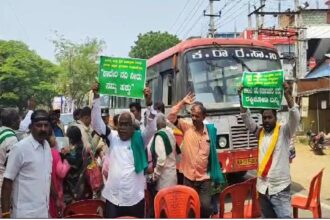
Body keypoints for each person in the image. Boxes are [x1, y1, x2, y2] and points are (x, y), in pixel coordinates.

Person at [91, 84, 156, 218]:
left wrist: (149, 103)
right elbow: (97, 123)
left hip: (134, 198)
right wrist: (96, 97)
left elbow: (151, 128)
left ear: (133, 127)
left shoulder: (140, 139)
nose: (123, 128)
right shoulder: (112, 137)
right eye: (121, 124)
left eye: (127, 125)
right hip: (114, 198)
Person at [238, 82, 300, 218]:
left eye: (269, 117)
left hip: (280, 190)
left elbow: (295, 116)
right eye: (264, 118)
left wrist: (287, 95)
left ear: (275, 118)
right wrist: (241, 97)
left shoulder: (284, 132)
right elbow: (246, 118)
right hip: (262, 189)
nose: (266, 120)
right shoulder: (259, 132)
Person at [167, 93, 225, 218]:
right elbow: (171, 117)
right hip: (188, 177)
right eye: (192, 115)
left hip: (204, 178)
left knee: (205, 207)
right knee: (189, 208)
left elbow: (213, 155)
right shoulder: (186, 127)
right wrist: (182, 102)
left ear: (204, 116)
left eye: (197, 116)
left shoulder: (210, 132)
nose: (193, 118)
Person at [1, 110, 52, 218]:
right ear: (31, 126)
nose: (43, 129)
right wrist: (5, 214)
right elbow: (7, 182)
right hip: (24, 214)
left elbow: (47, 176)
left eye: (46, 125)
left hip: (43, 212)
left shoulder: (47, 146)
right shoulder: (20, 148)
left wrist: (56, 199)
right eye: (39, 125)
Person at [147, 113, 177, 217]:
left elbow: (161, 159)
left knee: (163, 208)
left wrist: (155, 175)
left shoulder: (159, 136)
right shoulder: (170, 133)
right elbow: (178, 153)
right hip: (172, 174)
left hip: (164, 179)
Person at [62, 126, 92, 204]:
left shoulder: (78, 148)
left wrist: (65, 155)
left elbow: (76, 163)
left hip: (78, 182)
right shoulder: (81, 146)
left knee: (79, 204)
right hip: (83, 181)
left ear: (71, 138)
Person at [0, 108, 20, 217]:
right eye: (18, 119)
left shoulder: (1, 132)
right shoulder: (11, 138)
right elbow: (11, 167)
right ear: (13, 121)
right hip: (3, 184)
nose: (20, 121)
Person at [48, 129, 70, 218]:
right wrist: (66, 161)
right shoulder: (54, 153)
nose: (55, 138)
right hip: (56, 189)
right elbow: (61, 172)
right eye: (53, 136)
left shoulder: (45, 152)